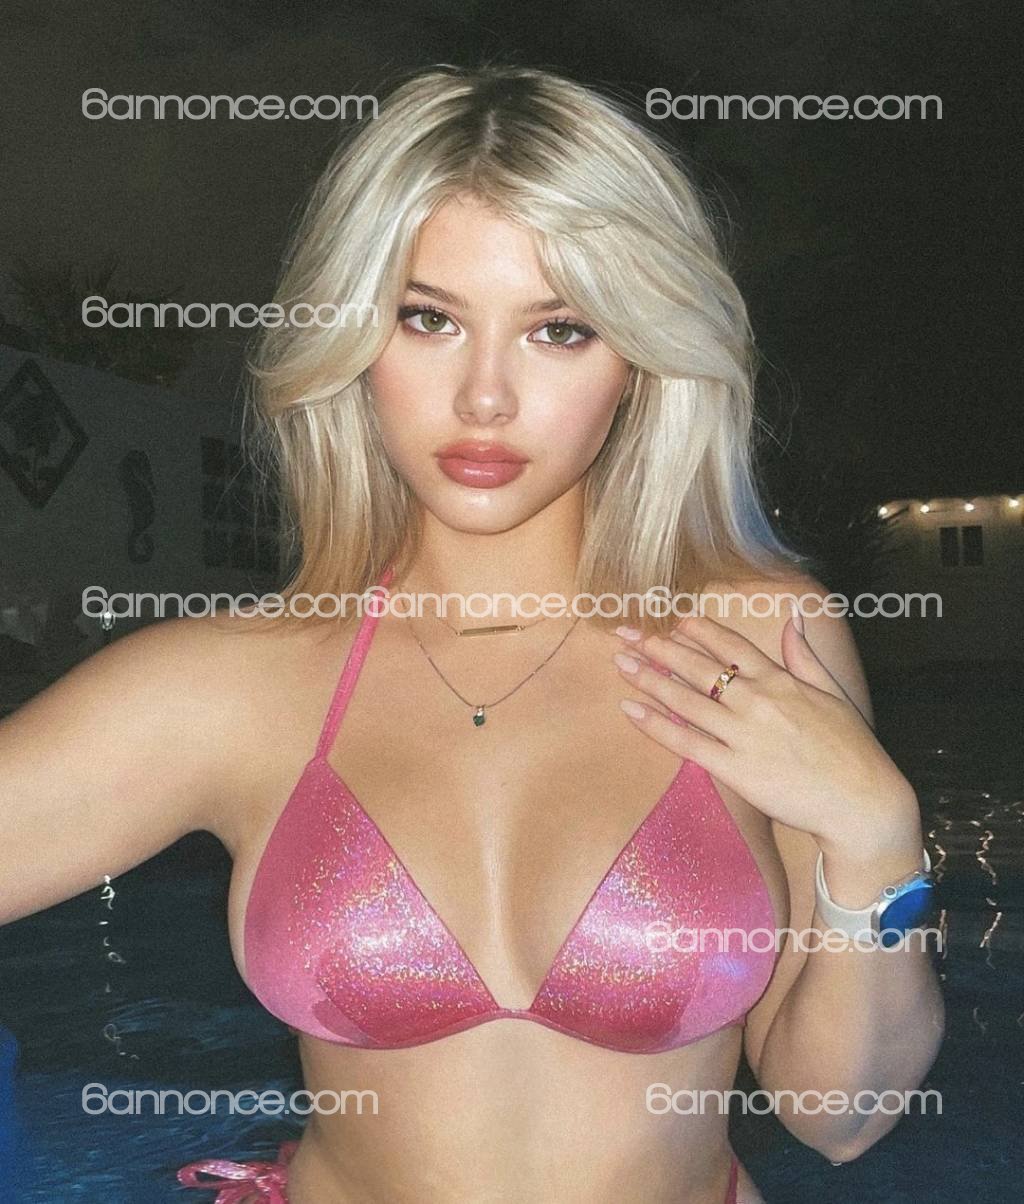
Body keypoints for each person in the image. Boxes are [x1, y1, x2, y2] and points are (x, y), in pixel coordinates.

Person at [0, 65, 943, 1204]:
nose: (484, 397)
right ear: (353, 335)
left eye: (560, 329)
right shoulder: (236, 686)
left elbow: (840, 1118)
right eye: (429, 319)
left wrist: (876, 834)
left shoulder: (756, 639)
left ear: (642, 360)